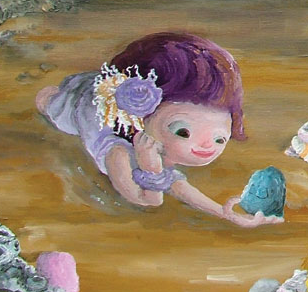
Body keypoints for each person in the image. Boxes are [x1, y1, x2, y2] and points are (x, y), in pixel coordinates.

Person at [36, 32, 282, 227]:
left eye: (220, 139)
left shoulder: (153, 139)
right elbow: (148, 200)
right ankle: (52, 96)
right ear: (140, 118)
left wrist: (225, 213)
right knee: (51, 103)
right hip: (81, 100)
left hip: (114, 91)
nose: (208, 147)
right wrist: (150, 168)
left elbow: (175, 183)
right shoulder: (117, 152)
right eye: (183, 132)